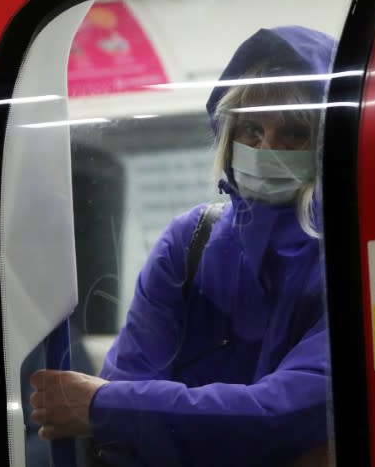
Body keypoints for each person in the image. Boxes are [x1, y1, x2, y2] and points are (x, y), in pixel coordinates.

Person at [30, 25, 335, 466]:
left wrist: (109, 409)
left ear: (326, 143)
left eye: (293, 134)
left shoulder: (346, 252)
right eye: (251, 128)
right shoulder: (191, 241)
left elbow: (286, 412)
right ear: (227, 134)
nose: (266, 147)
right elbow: (128, 396)